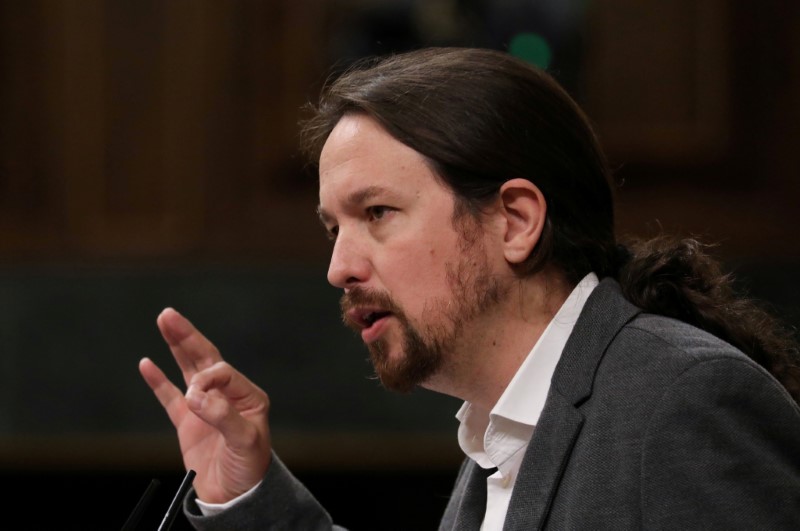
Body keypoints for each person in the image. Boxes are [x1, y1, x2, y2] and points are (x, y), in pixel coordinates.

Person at [138, 47, 800, 530]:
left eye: (377, 213)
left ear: (513, 221)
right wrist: (246, 493)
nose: (339, 266)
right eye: (332, 227)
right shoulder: (504, 427)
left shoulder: (681, 403)